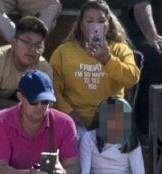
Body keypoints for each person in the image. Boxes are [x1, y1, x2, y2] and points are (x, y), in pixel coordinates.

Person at [46, 0, 137, 130]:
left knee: (120, 142)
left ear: (109, 25)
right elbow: (53, 89)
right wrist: (69, 112)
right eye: (89, 22)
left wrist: (107, 59)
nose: (95, 26)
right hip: (74, 119)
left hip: (111, 119)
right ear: (80, 26)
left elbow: (132, 79)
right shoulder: (63, 52)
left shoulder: (120, 49)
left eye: (101, 21)